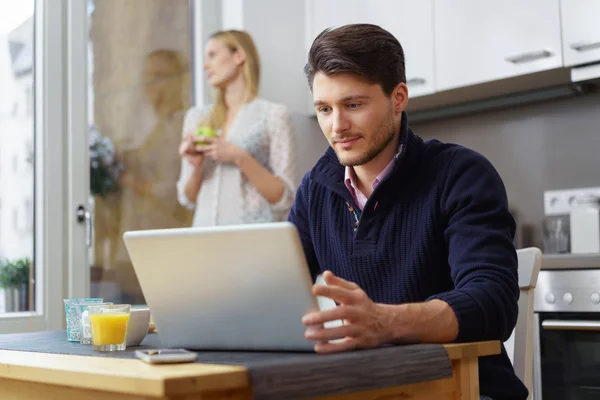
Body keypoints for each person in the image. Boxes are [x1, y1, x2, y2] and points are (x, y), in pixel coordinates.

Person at [289, 24, 527, 400]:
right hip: (367, 389)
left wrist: (383, 322)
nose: (337, 127)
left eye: (353, 105)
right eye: (324, 109)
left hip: (465, 389)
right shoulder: (315, 190)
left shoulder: (460, 174)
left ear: (398, 98)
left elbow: (492, 302)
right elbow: (277, 293)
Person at [177, 30, 297, 226]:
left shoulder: (274, 115)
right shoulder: (197, 118)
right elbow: (188, 199)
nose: (205, 65)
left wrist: (238, 157)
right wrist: (196, 166)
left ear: (239, 56)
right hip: (204, 237)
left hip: (253, 238)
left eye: (213, 55)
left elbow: (284, 198)